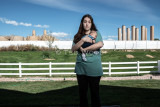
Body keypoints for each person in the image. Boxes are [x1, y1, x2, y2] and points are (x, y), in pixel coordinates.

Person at [71, 14, 104, 107]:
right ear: (82, 23)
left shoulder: (96, 33)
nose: (87, 24)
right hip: (81, 69)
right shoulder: (77, 36)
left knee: (95, 95)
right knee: (82, 96)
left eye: (89, 22)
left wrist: (85, 49)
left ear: (91, 24)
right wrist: (83, 40)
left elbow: (100, 44)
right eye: (85, 22)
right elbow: (73, 49)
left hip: (94, 69)